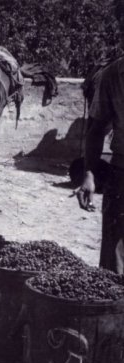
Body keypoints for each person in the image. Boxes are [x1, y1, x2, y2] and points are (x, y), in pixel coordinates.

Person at [76, 54, 124, 273]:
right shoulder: (112, 75)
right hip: (121, 174)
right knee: (113, 263)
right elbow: (96, 130)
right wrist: (88, 174)